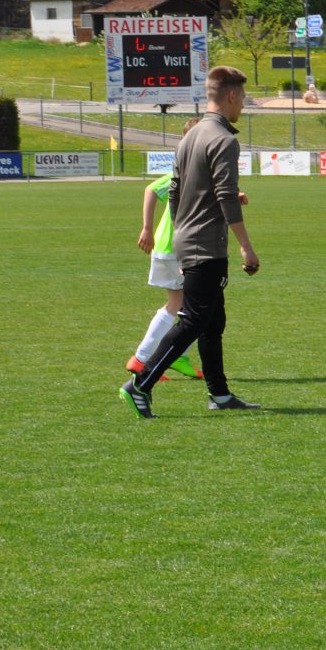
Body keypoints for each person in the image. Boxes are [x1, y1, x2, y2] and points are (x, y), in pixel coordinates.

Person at [118, 66, 260, 418]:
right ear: (230, 96)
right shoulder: (223, 140)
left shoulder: (190, 136)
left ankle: (219, 394)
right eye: (242, 97)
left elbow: (176, 191)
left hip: (188, 240)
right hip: (206, 245)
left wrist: (181, 231)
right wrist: (245, 246)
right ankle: (140, 384)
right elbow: (226, 195)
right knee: (194, 320)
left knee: (212, 320)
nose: (243, 104)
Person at [125, 119, 249, 382]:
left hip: (180, 246)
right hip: (178, 247)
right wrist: (146, 228)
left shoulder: (197, 170)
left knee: (193, 307)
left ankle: (176, 357)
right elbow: (151, 189)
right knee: (187, 307)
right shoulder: (186, 169)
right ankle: (142, 359)